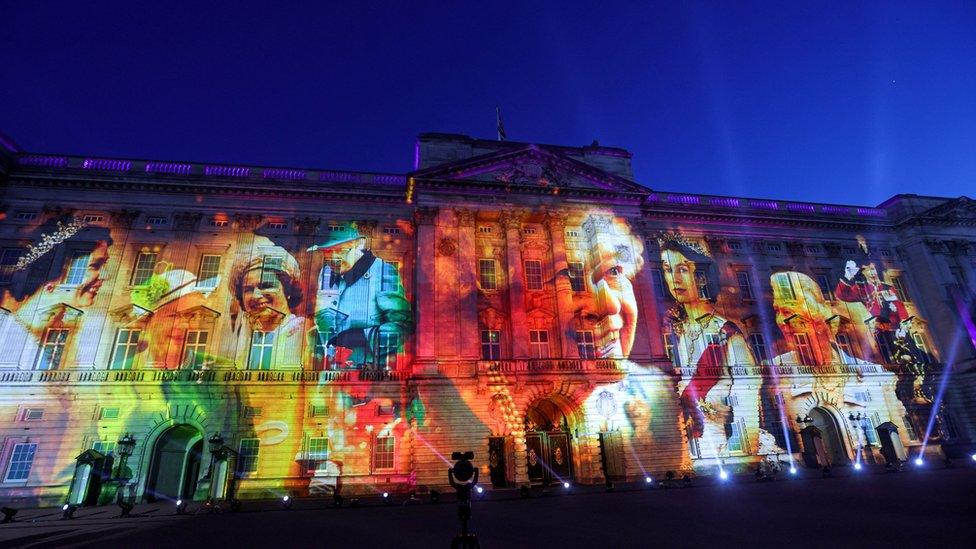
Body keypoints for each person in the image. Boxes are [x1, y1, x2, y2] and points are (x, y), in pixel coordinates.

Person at [770, 271, 909, 458]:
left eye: (791, 311)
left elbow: (899, 429)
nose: (784, 323)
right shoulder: (773, 372)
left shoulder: (875, 375)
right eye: (779, 311)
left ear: (829, 322)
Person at [658, 233, 762, 459]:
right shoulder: (672, 325)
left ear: (702, 278)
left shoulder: (727, 333)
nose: (674, 279)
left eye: (683, 269)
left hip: (719, 446)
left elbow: (748, 401)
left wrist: (737, 450)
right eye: (667, 269)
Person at [308, 228, 411, 369]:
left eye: (339, 250)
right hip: (333, 377)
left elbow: (403, 325)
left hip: (371, 378)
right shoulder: (326, 273)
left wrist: (361, 337)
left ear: (358, 244)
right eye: (327, 252)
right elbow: (322, 317)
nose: (333, 259)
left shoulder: (383, 271)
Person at [229, 241, 307, 369]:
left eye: (266, 286)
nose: (256, 295)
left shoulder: (304, 333)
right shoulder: (239, 339)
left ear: (287, 290)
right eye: (248, 289)